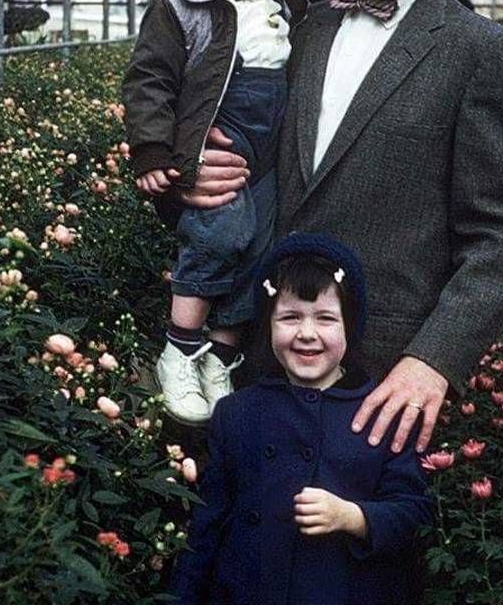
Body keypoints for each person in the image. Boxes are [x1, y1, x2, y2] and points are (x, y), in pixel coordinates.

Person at [182, 0, 503, 452]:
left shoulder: (477, 51)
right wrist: (191, 171)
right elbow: (237, 132)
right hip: (258, 359)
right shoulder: (299, 27)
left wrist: (433, 361)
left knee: (363, 546)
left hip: (383, 384)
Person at [121, 0, 310, 426]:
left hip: (268, 153)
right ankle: (179, 349)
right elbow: (149, 81)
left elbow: (320, 13)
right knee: (221, 232)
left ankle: (220, 358)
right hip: (217, 146)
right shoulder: (184, 2)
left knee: (263, 248)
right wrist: (155, 152)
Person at [169, 233, 433, 605]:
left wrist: (352, 517)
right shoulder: (236, 413)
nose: (307, 334)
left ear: (349, 326)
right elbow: (206, 527)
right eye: (290, 317)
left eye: (325, 318)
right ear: (269, 325)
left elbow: (414, 514)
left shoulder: (382, 410)